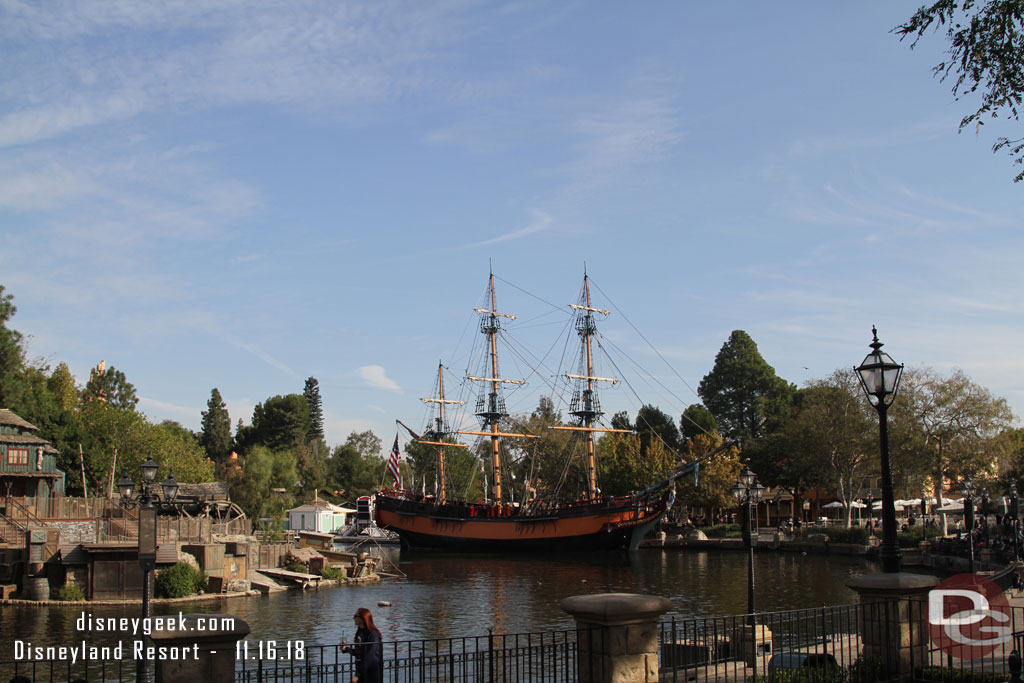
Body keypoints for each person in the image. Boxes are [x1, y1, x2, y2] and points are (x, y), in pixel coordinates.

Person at [341, 607, 383, 683]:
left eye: (355, 616)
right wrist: (346, 649)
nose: (353, 618)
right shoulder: (359, 632)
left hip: (370, 672)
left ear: (362, 618)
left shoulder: (372, 634)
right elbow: (359, 652)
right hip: (360, 670)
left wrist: (358, 673)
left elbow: (370, 655)